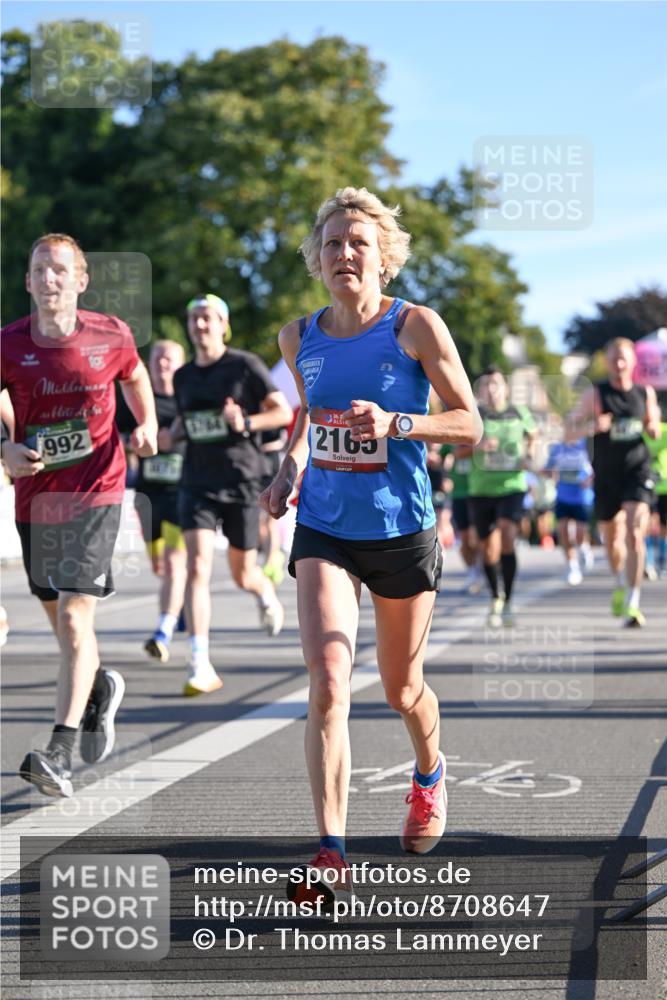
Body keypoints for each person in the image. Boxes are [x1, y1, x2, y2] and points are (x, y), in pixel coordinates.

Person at [260, 187, 481, 904]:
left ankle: (429, 773)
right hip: (324, 526)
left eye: (358, 242)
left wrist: (397, 423)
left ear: (383, 256)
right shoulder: (298, 337)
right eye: (332, 243)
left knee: (400, 689)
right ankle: (331, 852)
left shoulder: (414, 325)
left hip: (400, 530)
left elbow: (470, 424)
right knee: (328, 680)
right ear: (317, 260)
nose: (344, 253)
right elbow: (308, 416)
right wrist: (288, 469)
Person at [0, 233, 157, 797]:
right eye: (40, 269)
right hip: (36, 498)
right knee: (66, 626)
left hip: (98, 491)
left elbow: (135, 375)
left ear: (81, 280)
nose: (50, 278)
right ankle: (96, 689)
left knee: (73, 618)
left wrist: (147, 422)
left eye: (60, 270)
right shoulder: (8, 343)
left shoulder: (111, 334)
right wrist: (5, 448)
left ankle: (59, 754)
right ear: (28, 281)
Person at [163, 293, 293, 696]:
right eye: (194, 319)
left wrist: (246, 421)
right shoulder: (183, 377)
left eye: (208, 318)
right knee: (197, 566)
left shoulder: (244, 366)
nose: (200, 325)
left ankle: (264, 590)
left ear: (224, 325)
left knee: (242, 574)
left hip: (241, 479)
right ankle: (199, 661)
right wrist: (168, 436)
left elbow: (283, 412)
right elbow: (185, 422)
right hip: (196, 482)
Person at [572, 338, 661, 626]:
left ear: (633, 362)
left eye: (624, 358)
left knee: (634, 532)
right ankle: (620, 582)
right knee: (612, 540)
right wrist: (591, 426)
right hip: (607, 475)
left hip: (637, 471)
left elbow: (654, 425)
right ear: (608, 362)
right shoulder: (595, 394)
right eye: (614, 359)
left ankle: (633, 602)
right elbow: (568, 431)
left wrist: (652, 428)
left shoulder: (644, 393)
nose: (619, 364)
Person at [466, 367, 537, 628]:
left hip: (512, 485)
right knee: (487, 548)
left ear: (505, 388)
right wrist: (478, 447)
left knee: (507, 533)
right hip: (481, 489)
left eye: (495, 384)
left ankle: (508, 599)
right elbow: (458, 450)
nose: (491, 389)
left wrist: (529, 454)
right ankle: (496, 596)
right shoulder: (475, 415)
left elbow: (533, 436)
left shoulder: (519, 412)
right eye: (486, 385)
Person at [131, 339, 188, 662]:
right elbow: (117, 435)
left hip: (183, 494)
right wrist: (136, 441)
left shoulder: (188, 397)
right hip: (148, 496)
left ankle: (162, 631)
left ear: (180, 364)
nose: (162, 364)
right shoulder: (140, 400)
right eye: (157, 359)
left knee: (174, 564)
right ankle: (178, 604)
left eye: (169, 359)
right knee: (160, 566)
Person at [545, 416, 595, 585]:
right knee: (563, 531)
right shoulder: (557, 448)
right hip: (562, 496)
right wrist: (549, 473)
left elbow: (597, 468)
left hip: (582, 497)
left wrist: (589, 479)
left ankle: (583, 547)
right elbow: (548, 468)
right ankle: (572, 566)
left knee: (580, 533)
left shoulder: (586, 446)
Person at [643, 406, 667, 580]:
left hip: (665, 486)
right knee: (646, 525)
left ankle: (663, 561)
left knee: (664, 527)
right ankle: (648, 562)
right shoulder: (639, 433)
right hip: (645, 485)